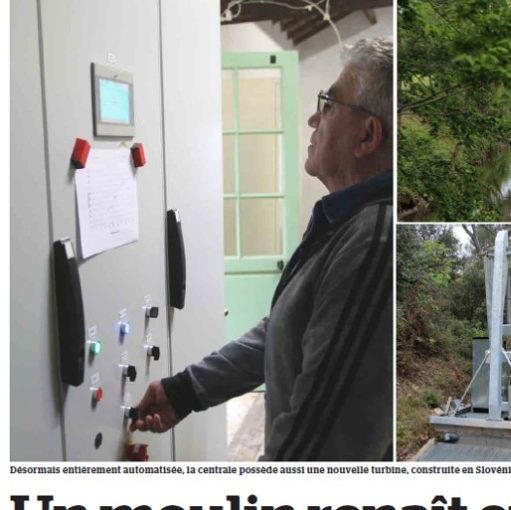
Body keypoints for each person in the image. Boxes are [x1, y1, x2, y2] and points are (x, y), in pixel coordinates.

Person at [130, 37, 394, 461]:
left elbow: (319, 447)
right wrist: (184, 391)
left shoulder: (374, 242)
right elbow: (284, 332)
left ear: (367, 135)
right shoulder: (346, 223)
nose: (313, 118)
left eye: (328, 104)